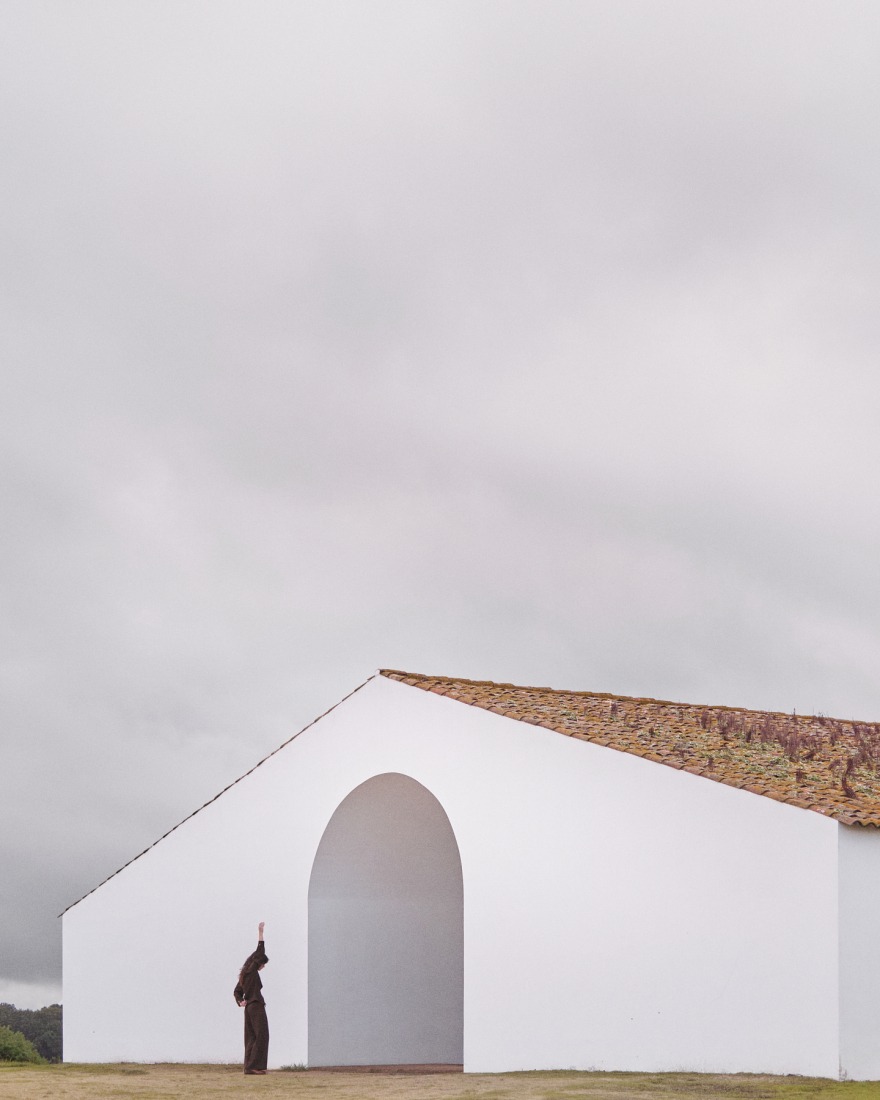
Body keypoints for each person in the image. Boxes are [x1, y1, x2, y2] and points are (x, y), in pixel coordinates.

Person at [234, 921, 270, 1075]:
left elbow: (236, 991)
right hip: (255, 1005)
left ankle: (250, 1066)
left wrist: (240, 1001)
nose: (263, 966)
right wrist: (261, 933)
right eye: (263, 964)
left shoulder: (244, 976)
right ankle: (253, 1066)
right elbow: (259, 951)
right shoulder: (252, 971)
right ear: (257, 963)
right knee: (262, 1034)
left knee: (251, 1037)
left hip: (249, 1007)